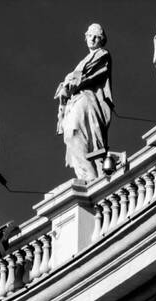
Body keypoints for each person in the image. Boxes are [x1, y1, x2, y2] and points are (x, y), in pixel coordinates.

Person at [56, 24, 114, 183]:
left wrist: (69, 83)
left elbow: (89, 75)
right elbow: (77, 77)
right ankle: (86, 175)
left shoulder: (103, 54)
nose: (93, 39)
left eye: (97, 37)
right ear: (86, 37)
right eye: (91, 36)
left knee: (74, 132)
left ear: (102, 40)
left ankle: (91, 176)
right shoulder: (86, 59)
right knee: (70, 136)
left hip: (87, 99)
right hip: (75, 100)